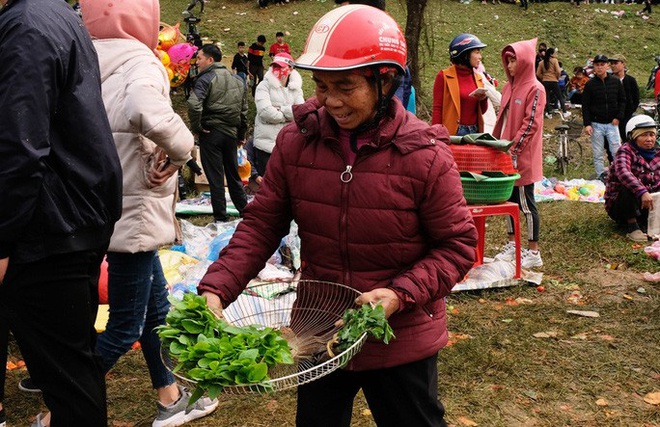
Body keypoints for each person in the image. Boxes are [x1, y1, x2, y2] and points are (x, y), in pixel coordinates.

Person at [198, 5, 477, 427]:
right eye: (321, 86)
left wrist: (398, 294)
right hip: (320, 332)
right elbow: (261, 225)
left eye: (345, 87)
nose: (330, 101)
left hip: (398, 338)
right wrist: (217, 288)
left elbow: (458, 246)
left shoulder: (424, 155)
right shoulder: (297, 142)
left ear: (385, 79)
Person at [79, 1, 219, 426]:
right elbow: (144, 107)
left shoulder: (84, 54)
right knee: (124, 325)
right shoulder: (138, 60)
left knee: (156, 306)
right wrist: (181, 150)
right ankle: (61, 404)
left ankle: (169, 395)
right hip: (136, 205)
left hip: (99, 200)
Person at [0, 0, 123, 424]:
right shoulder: (53, 14)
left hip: (49, 225)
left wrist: (1, 240)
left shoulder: (25, 27)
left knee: (69, 377)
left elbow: (19, 145)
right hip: (75, 212)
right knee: (74, 365)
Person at [492, 38, 547, 269]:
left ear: (525, 61)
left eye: (513, 60)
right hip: (505, 156)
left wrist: (514, 150)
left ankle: (533, 252)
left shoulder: (536, 89)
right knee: (509, 201)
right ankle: (512, 245)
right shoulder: (508, 87)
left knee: (526, 204)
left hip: (522, 157)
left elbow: (531, 124)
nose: (510, 65)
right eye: (507, 61)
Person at [188, 44, 249, 222]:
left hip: (211, 132)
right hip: (231, 133)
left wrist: (197, 127)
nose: (197, 62)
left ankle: (221, 218)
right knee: (233, 175)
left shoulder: (206, 78)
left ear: (210, 60)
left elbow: (193, 104)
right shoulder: (238, 80)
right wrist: (241, 134)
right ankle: (246, 213)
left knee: (215, 179)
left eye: (199, 58)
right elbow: (243, 111)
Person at [605, 115, 659, 242]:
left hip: (647, 205)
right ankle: (632, 227)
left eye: (652, 135)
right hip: (622, 206)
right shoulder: (625, 151)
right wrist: (642, 191)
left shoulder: (657, 152)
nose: (649, 139)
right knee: (627, 187)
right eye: (644, 135)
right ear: (633, 137)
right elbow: (623, 172)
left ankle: (651, 223)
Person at [253, 53, 304, 176]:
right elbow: (266, 112)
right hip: (266, 145)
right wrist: (288, 116)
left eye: (281, 67)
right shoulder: (263, 86)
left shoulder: (296, 89)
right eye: (274, 66)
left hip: (288, 146)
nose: (277, 70)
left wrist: (280, 109)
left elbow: (301, 112)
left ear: (290, 69)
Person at [432, 33, 489, 136]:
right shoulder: (443, 76)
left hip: (475, 133)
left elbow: (482, 112)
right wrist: (435, 135)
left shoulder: (478, 78)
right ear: (464, 54)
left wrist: (483, 99)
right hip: (453, 133)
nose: (480, 57)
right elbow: (437, 109)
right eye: (476, 52)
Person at [582, 54, 626, 182]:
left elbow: (622, 100)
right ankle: (600, 175)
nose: (600, 67)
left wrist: (619, 117)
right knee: (598, 152)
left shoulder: (615, 82)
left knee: (616, 151)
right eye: (597, 65)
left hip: (612, 123)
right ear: (594, 67)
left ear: (607, 66)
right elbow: (585, 105)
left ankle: (620, 174)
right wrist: (587, 124)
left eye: (602, 65)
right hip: (596, 123)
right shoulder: (590, 84)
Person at [609, 54, 640, 143]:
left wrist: (630, 111)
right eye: (611, 63)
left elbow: (636, 98)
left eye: (616, 63)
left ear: (623, 64)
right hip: (611, 117)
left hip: (627, 116)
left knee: (628, 140)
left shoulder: (630, 80)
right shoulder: (608, 80)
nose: (613, 65)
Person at [536, 48, 568, 119]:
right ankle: (565, 112)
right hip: (554, 81)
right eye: (555, 53)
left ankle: (549, 113)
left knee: (546, 97)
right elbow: (558, 71)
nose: (556, 54)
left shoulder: (541, 62)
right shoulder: (554, 61)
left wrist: (543, 78)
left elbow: (538, 73)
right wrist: (556, 78)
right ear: (551, 54)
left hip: (545, 82)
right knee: (560, 96)